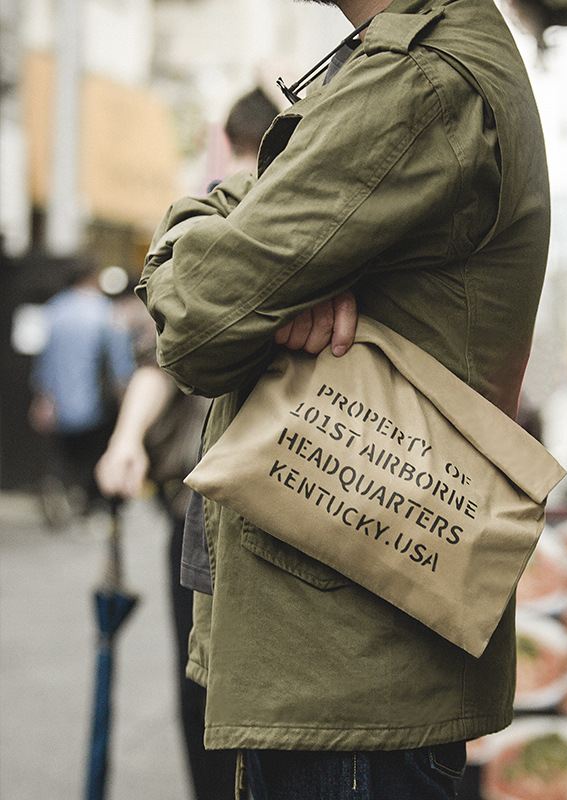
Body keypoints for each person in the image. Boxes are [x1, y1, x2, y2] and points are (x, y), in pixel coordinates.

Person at [136, 0, 551, 796]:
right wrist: (243, 250)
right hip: (347, 667)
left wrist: (201, 236)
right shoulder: (413, 64)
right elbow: (227, 271)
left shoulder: (418, 82)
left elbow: (197, 320)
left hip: (344, 678)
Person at [94, 87, 279, 800]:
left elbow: (159, 358)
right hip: (287, 494)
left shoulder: (214, 220)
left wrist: (126, 440)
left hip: (204, 502)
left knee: (204, 683)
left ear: (227, 146)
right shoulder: (301, 215)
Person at [29, 261, 134, 521]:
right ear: (91, 278)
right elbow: (121, 363)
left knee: (65, 454)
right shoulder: (105, 311)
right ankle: (89, 503)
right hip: (98, 403)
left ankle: (65, 490)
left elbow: (43, 361)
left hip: (60, 402)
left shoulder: (54, 310)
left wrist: (42, 398)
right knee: (94, 454)